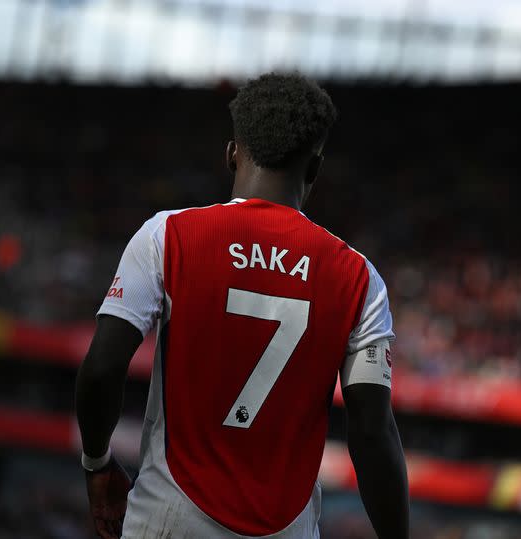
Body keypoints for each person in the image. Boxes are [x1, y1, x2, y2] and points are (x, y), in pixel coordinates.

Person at [75, 73, 409, 539]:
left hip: (168, 520)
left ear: (232, 152)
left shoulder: (166, 237)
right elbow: (373, 432)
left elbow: (101, 368)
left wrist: (97, 465)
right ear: (314, 169)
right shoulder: (359, 279)